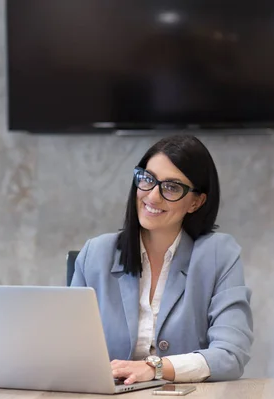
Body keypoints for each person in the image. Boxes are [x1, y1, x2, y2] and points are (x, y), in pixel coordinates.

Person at [71, 135, 253, 384]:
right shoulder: (96, 253)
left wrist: (155, 367)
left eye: (171, 187)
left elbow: (231, 355)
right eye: (147, 180)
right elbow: (69, 351)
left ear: (196, 202)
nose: (153, 197)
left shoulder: (219, 255)